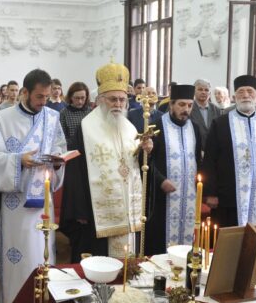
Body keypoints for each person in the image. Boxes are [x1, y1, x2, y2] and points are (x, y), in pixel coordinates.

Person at [0, 69, 66, 303]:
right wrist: (19, 160)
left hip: (43, 202)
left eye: (47, 96)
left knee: (43, 256)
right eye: (39, 96)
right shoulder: (3, 118)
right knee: (19, 258)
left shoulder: (52, 117)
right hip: (16, 206)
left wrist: (58, 161)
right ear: (25, 92)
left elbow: (60, 149)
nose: (44, 101)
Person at [60, 62, 152, 261]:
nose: (118, 104)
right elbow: (75, 171)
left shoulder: (129, 128)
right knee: (98, 261)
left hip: (126, 210)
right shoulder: (86, 127)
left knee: (127, 263)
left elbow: (136, 166)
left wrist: (147, 151)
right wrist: (79, 210)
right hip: (94, 213)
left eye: (122, 99)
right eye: (112, 99)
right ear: (100, 100)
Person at [201, 75, 256, 228]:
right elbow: (210, 160)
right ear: (234, 96)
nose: (245, 95)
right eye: (241, 92)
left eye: (250, 91)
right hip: (228, 196)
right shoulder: (220, 124)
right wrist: (210, 193)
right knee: (229, 237)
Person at [146, 85, 202, 254]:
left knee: (188, 243)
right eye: (181, 105)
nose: (186, 109)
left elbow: (197, 159)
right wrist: (161, 180)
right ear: (171, 104)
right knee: (161, 241)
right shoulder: (156, 127)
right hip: (163, 197)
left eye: (190, 105)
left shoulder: (195, 128)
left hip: (189, 195)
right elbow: (146, 160)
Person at [189, 79, 223, 149]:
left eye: (206, 90)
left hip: (213, 150)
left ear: (210, 93)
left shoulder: (216, 110)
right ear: (194, 92)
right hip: (194, 149)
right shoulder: (189, 108)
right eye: (200, 89)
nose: (203, 92)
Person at [59, 81, 91, 150]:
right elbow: (62, 137)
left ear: (86, 97)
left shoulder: (90, 111)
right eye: (77, 98)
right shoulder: (64, 113)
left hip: (89, 149)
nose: (80, 101)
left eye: (83, 98)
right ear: (71, 97)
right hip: (72, 150)